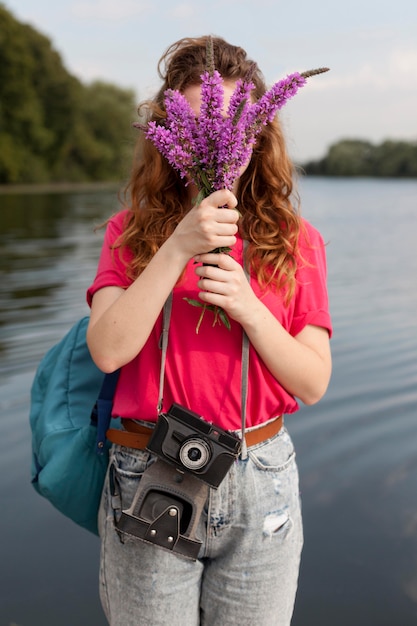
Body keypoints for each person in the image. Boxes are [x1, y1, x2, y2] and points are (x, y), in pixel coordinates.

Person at [86, 35, 332, 626]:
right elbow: (108, 350)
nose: (214, 145)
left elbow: (313, 381)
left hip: (262, 477)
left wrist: (249, 306)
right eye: (192, 127)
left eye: (232, 131)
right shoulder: (129, 232)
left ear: (257, 134)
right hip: (152, 467)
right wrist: (176, 248)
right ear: (169, 136)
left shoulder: (296, 240)